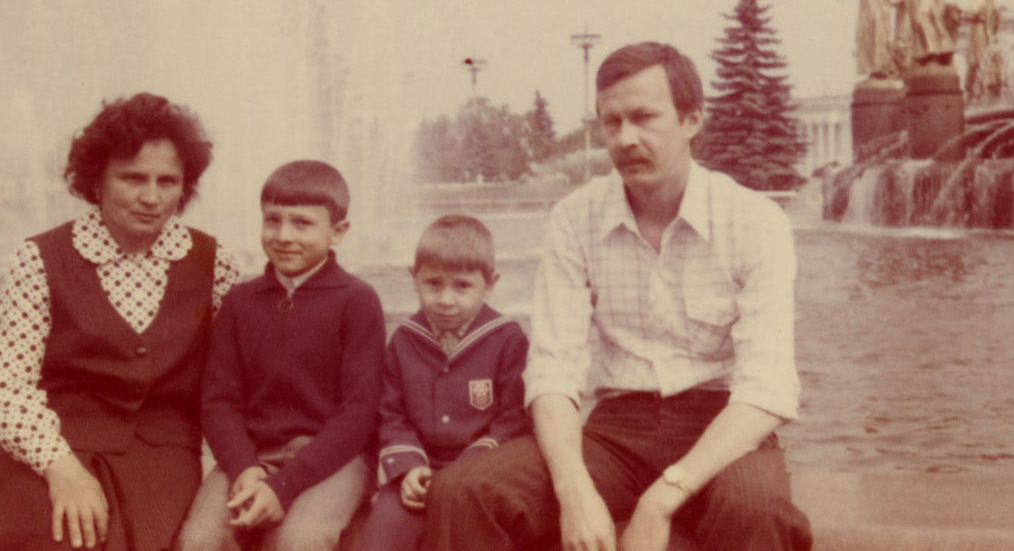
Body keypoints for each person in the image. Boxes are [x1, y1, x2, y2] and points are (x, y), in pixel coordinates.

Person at [423, 42, 812, 551]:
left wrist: (660, 501)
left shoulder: (754, 221)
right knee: (465, 491)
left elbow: (767, 388)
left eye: (644, 118)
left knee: (756, 512)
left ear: (691, 120)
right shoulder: (575, 218)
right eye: (612, 122)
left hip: (723, 429)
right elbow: (553, 370)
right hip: (616, 433)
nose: (626, 138)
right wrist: (575, 490)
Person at [0, 93, 241, 551]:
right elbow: (7, 387)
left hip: (160, 457)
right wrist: (62, 470)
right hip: (48, 446)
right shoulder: (39, 258)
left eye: (167, 181)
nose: (151, 197)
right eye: (133, 177)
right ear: (96, 180)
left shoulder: (213, 262)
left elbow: (239, 377)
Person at [176, 160, 385, 551]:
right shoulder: (240, 302)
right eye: (272, 220)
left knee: (297, 541)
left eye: (302, 223)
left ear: (338, 232)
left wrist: (284, 486)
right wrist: (244, 468)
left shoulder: (357, 301)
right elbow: (219, 401)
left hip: (333, 459)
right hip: (252, 455)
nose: (284, 235)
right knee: (200, 540)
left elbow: (359, 413)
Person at [354, 214, 529, 551]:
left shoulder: (507, 340)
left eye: (462, 286)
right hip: (418, 468)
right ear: (414, 278)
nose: (446, 299)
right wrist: (409, 470)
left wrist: (468, 468)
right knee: (381, 540)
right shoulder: (404, 341)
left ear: (490, 283)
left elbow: (514, 419)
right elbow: (392, 415)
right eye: (433, 283)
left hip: (481, 471)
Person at [962, 0, 1002, 103]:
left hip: (978, 31)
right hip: (987, 33)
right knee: (986, 57)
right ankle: (989, 80)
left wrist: (960, 13)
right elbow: (997, 19)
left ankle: (975, 87)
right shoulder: (991, 2)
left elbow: (970, 13)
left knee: (976, 58)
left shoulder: (980, 0)